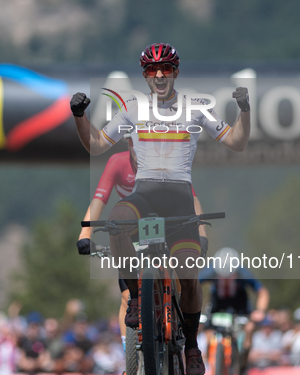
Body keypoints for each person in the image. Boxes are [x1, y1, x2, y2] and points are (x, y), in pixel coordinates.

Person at [72, 42, 250, 375]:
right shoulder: (131, 108)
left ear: (176, 72)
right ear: (144, 75)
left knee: (191, 278)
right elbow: (95, 143)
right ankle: (138, 300)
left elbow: (236, 142)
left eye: (166, 68)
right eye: (152, 70)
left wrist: (245, 111)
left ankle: (193, 347)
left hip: (180, 197)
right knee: (118, 220)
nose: (159, 75)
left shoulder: (196, 106)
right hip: (145, 196)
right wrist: (79, 116)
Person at [77, 131, 208, 356]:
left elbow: (192, 199)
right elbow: (100, 198)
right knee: (127, 294)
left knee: (183, 279)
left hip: (169, 224)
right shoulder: (117, 163)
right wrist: (85, 233)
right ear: (130, 143)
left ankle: (183, 332)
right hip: (135, 228)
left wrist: (202, 233)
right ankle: (130, 351)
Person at [199, 247, 269, 370]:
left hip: (240, 304)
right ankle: (210, 361)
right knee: (207, 330)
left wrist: (260, 311)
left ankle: (243, 361)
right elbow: (191, 286)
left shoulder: (243, 273)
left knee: (249, 328)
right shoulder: (210, 271)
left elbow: (262, 292)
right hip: (217, 304)